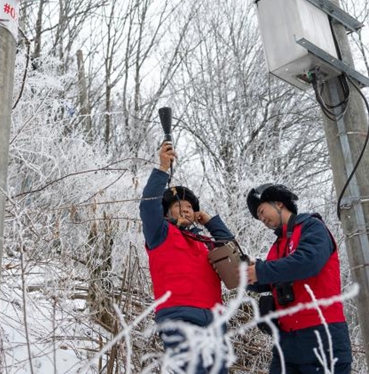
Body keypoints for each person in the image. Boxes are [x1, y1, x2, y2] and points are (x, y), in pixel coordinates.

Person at [141, 141, 235, 374]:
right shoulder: (160, 233)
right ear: (166, 212)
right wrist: (162, 168)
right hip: (179, 315)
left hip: (214, 320)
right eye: (178, 206)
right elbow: (147, 207)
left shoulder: (204, 242)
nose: (186, 210)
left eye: (190, 207)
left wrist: (210, 221)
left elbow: (230, 248)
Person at [245, 183, 353, 374]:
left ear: (279, 204)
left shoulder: (312, 226)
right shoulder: (277, 245)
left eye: (262, 211)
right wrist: (244, 275)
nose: (262, 219)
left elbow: (308, 261)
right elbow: (270, 278)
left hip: (322, 333)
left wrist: (261, 270)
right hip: (287, 340)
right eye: (258, 217)